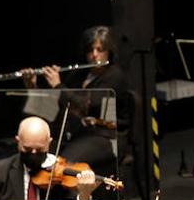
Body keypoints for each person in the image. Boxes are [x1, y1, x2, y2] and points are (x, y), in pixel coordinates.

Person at [23, 25, 132, 181]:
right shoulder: (79, 74)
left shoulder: (115, 76)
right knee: (38, 153)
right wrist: (32, 86)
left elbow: (87, 106)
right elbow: (55, 107)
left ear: (109, 52)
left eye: (100, 50)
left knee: (64, 165)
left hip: (106, 137)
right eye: (90, 50)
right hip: (79, 134)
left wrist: (58, 86)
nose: (94, 55)